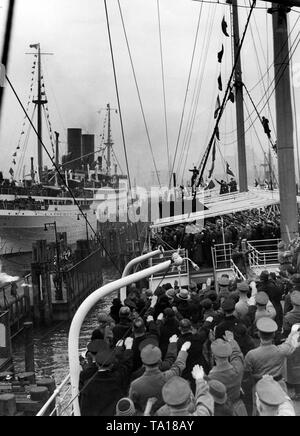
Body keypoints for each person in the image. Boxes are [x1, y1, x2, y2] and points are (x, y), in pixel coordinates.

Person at [129, 339, 191, 414]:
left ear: (143, 363)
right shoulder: (169, 376)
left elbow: (132, 406)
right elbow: (179, 365)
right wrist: (183, 349)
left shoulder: (135, 385)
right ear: (159, 361)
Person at [79, 337, 134, 416]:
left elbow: (83, 405)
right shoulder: (117, 376)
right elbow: (126, 366)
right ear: (111, 365)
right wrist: (127, 348)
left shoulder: (87, 383)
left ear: (97, 363)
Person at [208, 331, 247, 416]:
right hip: (238, 408)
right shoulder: (237, 367)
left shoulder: (211, 377)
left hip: (221, 411)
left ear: (213, 356)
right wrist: (231, 340)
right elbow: (237, 354)